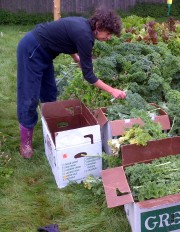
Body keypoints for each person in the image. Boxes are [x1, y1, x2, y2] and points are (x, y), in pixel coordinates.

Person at [17, 8, 127, 159]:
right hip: (32, 49)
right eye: (108, 33)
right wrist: (112, 90)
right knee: (29, 96)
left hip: (45, 53)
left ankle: (49, 132)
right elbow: (89, 76)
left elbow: (64, 39)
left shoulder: (84, 26)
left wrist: (76, 58)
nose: (108, 37)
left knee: (49, 94)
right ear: (99, 27)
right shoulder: (85, 35)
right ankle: (26, 143)